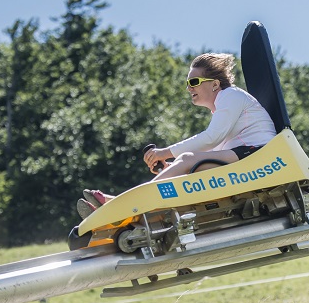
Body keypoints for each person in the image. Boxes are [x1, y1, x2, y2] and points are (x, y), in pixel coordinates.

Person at [77, 52, 276, 219]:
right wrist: (173, 167)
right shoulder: (224, 108)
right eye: (188, 83)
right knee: (186, 166)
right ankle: (118, 205)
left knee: (188, 159)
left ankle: (123, 205)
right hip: (247, 155)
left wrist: (165, 153)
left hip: (257, 155)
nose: (189, 88)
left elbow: (210, 139)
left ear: (215, 84)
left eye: (194, 82)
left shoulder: (230, 95)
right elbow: (213, 152)